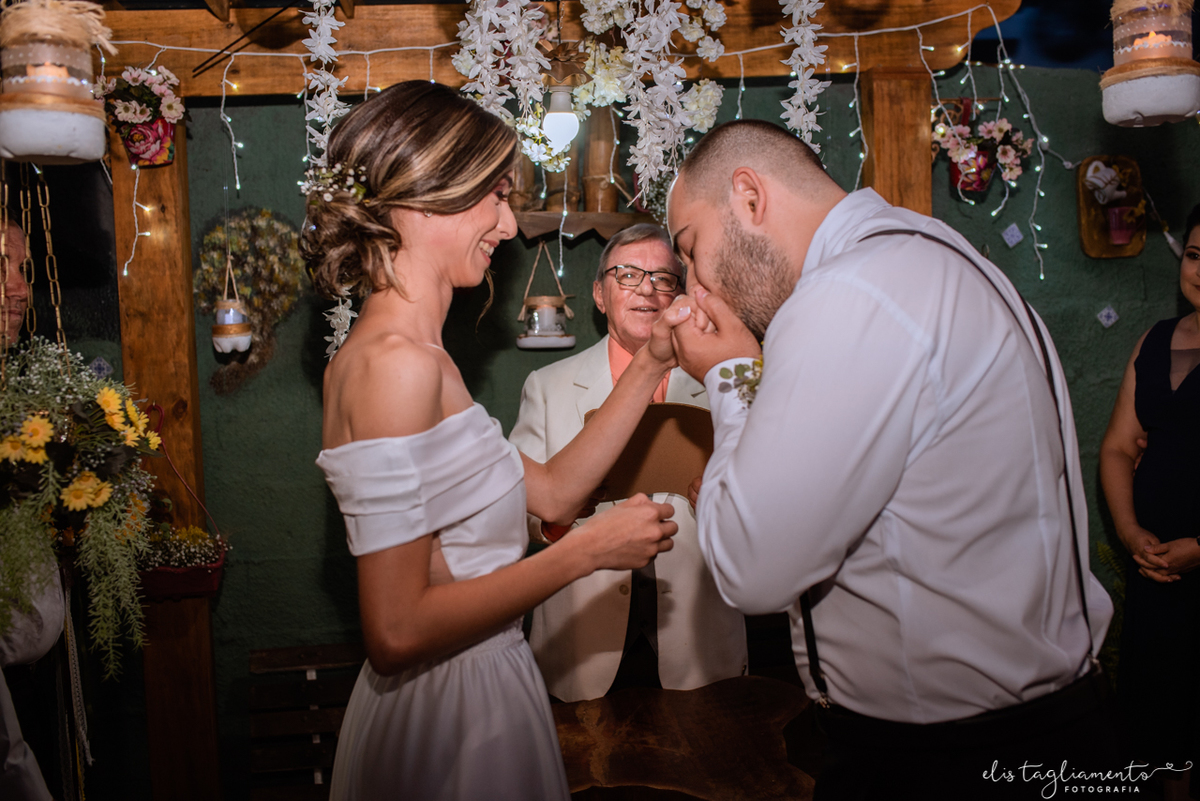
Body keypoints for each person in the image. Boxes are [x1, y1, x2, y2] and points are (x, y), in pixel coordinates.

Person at [661, 120, 1118, 799]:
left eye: (691, 249)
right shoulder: (932, 256)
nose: (696, 287)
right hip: (1027, 729)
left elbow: (751, 567)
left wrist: (729, 373)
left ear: (750, 197)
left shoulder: (851, 293)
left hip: (951, 757)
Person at [309, 82, 683, 801]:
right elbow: (395, 627)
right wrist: (586, 552)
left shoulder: (429, 360)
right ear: (425, 198)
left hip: (487, 682)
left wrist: (655, 361)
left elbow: (553, 491)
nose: (509, 227)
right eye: (496, 198)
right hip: (449, 713)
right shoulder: (395, 366)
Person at [510, 223, 746, 702]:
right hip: (581, 644)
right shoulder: (547, 386)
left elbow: (769, 505)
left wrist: (723, 500)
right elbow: (515, 513)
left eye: (664, 278)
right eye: (628, 274)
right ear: (599, 295)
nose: (647, 289)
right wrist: (559, 517)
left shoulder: (724, 384)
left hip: (698, 645)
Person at [1099, 204, 1200, 801]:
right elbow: (1116, 448)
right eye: (1194, 255)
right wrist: (1133, 531)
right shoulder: (1157, 340)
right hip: (1157, 569)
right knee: (1158, 735)